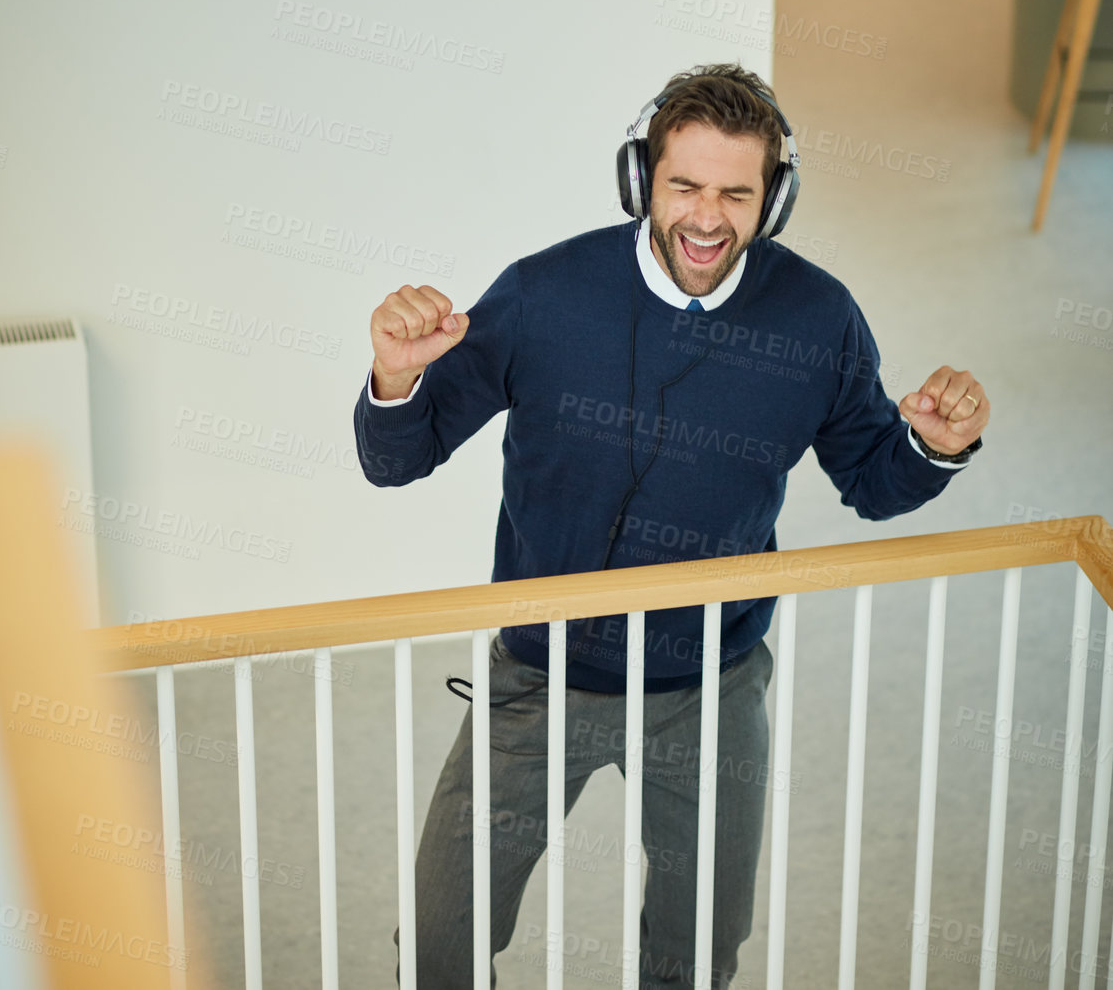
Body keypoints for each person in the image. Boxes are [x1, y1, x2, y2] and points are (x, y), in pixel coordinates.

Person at [353, 64, 990, 988]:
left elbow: (873, 483)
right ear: (640, 179)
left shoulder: (819, 319)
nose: (706, 217)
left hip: (711, 686)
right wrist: (397, 377)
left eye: (737, 192)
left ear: (774, 198)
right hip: (540, 674)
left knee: (696, 957)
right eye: (683, 184)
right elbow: (394, 459)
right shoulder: (543, 296)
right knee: (441, 943)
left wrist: (931, 448)